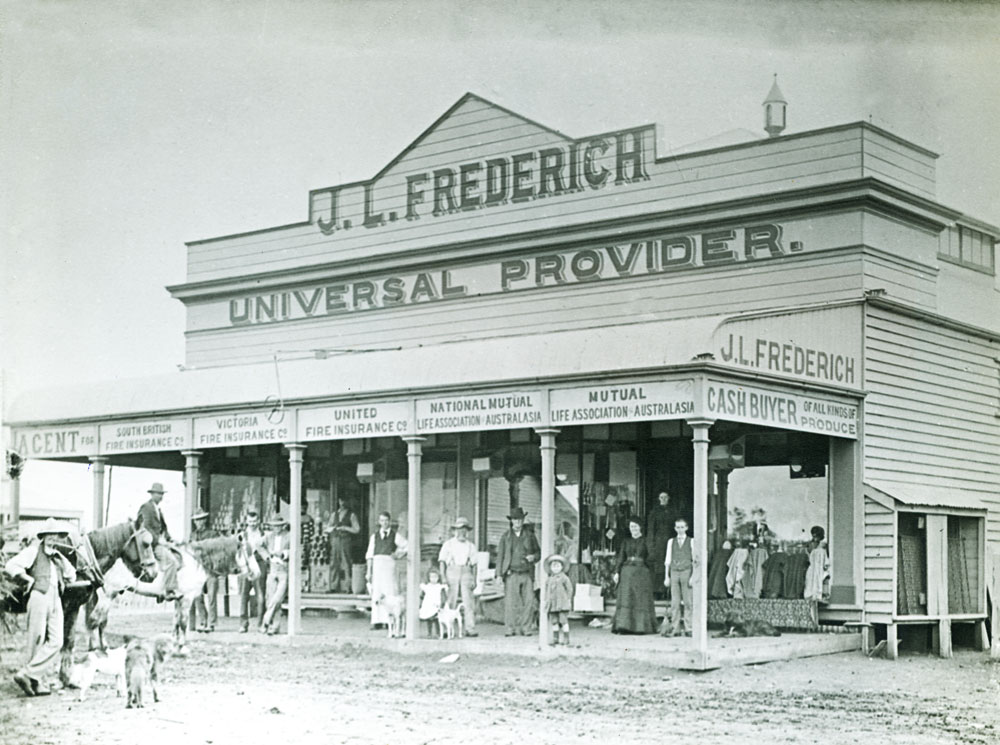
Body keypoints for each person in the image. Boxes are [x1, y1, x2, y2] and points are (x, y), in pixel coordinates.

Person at [5, 519, 77, 696]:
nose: (53, 539)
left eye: (56, 536)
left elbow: (72, 576)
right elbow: (10, 566)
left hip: (55, 598)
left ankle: (27, 674)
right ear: (43, 537)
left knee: (57, 641)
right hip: (38, 596)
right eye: (49, 536)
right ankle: (34, 683)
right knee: (36, 640)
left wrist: (61, 561)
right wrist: (28, 579)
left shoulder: (58, 557)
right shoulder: (33, 551)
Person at [495, 506, 540, 637]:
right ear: (511, 521)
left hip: (527, 573)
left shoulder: (530, 536)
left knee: (529, 602)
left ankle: (526, 628)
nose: (518, 522)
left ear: (523, 520)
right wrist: (498, 574)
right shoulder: (506, 536)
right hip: (511, 573)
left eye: (520, 520)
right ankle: (510, 628)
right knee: (510, 603)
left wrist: (533, 557)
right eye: (515, 520)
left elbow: (538, 552)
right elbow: (500, 557)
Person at [611, 516, 657, 634]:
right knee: (626, 598)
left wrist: (646, 568)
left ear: (640, 527)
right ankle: (624, 627)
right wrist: (617, 572)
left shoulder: (646, 541)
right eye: (631, 527)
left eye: (635, 526)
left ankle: (640, 628)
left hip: (641, 573)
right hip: (626, 573)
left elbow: (651, 557)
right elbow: (621, 557)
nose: (633, 529)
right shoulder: (626, 541)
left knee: (639, 599)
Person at [136, 482, 180, 601]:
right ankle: (169, 591)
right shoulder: (146, 508)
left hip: (159, 542)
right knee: (171, 562)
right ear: (152, 494)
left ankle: (163, 587)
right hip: (150, 545)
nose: (161, 496)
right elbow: (145, 528)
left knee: (179, 555)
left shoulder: (157, 509)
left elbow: (163, 528)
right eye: (158, 494)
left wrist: (171, 539)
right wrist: (159, 541)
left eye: (161, 494)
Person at [437, 516, 479, 637]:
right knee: (450, 600)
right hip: (452, 570)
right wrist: (443, 577)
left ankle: (470, 628)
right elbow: (442, 562)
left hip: (466, 571)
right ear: (454, 531)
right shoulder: (448, 544)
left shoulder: (471, 546)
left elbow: (475, 564)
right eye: (459, 529)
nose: (462, 532)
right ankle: (446, 629)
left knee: (468, 601)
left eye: (464, 529)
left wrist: (474, 579)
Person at [365, 511, 407, 629]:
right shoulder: (375, 536)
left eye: (386, 520)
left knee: (389, 592)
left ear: (389, 521)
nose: (384, 523)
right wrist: (369, 571)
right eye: (382, 521)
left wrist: (397, 554)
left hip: (389, 565)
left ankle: (389, 621)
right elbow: (369, 555)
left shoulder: (395, 535)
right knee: (377, 593)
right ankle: (377, 620)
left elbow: (406, 545)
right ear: (379, 522)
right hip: (377, 566)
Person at [664, 518, 696, 636]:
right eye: (678, 527)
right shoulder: (671, 542)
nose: (680, 530)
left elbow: (694, 560)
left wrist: (693, 576)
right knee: (675, 602)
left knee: (688, 601)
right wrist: (666, 577)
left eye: (682, 527)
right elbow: (667, 560)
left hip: (686, 572)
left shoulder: (691, 541)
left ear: (686, 528)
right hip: (674, 572)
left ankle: (689, 628)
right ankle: (675, 627)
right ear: (675, 528)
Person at [189, 509, 219, 633]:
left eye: (201, 519)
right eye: (196, 520)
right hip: (197, 569)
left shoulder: (213, 534)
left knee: (211, 597)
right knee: (198, 596)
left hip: (210, 569)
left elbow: (217, 550)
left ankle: (211, 623)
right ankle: (203, 620)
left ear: (205, 520)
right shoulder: (192, 536)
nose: (199, 522)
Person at [239, 510, 268, 633]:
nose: (252, 523)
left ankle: (260, 624)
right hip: (246, 565)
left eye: (255, 521)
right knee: (244, 595)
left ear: (258, 521)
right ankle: (243, 624)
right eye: (250, 521)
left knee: (260, 595)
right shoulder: (242, 535)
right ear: (246, 522)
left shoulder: (263, 534)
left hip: (259, 563)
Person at [261, 516, 290, 635]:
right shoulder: (268, 536)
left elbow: (296, 549)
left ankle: (266, 619)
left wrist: (283, 554)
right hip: (272, 569)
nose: (276, 528)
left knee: (278, 597)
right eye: (274, 526)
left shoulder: (289, 536)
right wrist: (267, 556)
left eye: (279, 525)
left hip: (284, 569)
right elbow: (258, 545)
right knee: (270, 597)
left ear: (282, 525)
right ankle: (274, 626)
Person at [327, 497, 360, 593]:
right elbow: (328, 526)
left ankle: (347, 587)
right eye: (341, 500)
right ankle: (333, 586)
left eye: (345, 500)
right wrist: (332, 529)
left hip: (346, 540)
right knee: (334, 562)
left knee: (346, 563)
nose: (342, 503)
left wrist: (346, 528)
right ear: (338, 501)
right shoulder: (334, 514)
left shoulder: (352, 515)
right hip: (335, 539)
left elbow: (357, 529)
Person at [646, 491, 673, 594]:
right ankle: (658, 591)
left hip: (669, 542)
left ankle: (668, 591)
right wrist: (651, 546)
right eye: (661, 497)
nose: (663, 499)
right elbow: (651, 530)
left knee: (669, 565)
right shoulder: (654, 512)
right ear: (658, 498)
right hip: (658, 543)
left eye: (665, 497)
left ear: (669, 498)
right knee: (658, 567)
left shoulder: (672, 512)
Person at [543, 554, 573, 646]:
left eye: (558, 566)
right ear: (550, 568)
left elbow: (570, 589)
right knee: (554, 621)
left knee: (563, 621)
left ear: (562, 567)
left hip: (562, 604)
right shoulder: (549, 579)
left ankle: (566, 638)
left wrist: (568, 599)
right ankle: (555, 638)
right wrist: (546, 600)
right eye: (553, 566)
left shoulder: (564, 578)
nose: (556, 568)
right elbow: (546, 591)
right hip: (552, 604)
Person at [418, 567, 448, 638]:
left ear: (438, 577)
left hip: (436, 604)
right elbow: (422, 591)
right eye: (431, 577)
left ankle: (438, 632)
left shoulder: (439, 586)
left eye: (435, 577)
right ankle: (429, 633)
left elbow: (444, 593)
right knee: (429, 619)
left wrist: (442, 603)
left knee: (437, 619)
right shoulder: (427, 586)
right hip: (429, 604)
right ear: (429, 578)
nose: (433, 579)